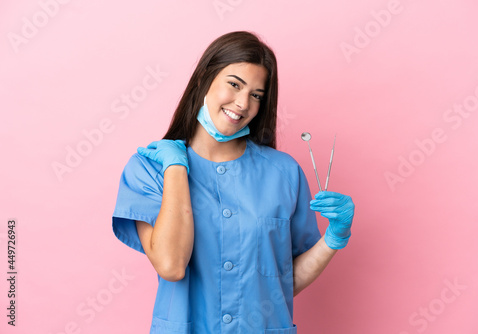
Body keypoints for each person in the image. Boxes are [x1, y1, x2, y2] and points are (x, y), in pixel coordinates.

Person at [112, 31, 355, 334]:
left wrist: (334, 237)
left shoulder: (284, 173)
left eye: (256, 95)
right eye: (234, 84)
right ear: (204, 78)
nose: (242, 104)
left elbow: (283, 283)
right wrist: (175, 167)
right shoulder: (149, 169)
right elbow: (171, 265)